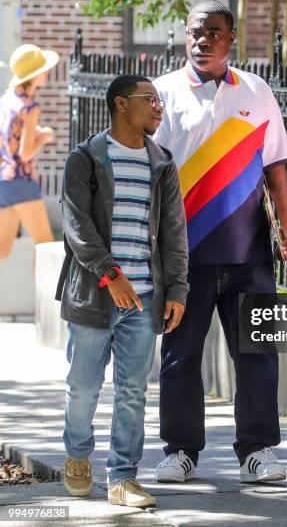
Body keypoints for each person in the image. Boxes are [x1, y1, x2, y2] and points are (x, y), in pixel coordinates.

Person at [153, 1, 287, 483]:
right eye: (196, 32)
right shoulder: (162, 94)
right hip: (183, 256)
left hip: (248, 250)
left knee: (256, 355)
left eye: (214, 32)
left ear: (231, 39)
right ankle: (180, 451)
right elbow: (147, 174)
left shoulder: (257, 91)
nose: (202, 40)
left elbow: (276, 165)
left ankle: (256, 451)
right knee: (179, 356)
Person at [56, 75, 189, 508]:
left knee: (133, 391)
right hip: (94, 297)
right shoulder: (87, 158)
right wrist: (111, 275)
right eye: (149, 100)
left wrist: (177, 289)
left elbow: (174, 233)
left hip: (145, 297)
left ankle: (123, 477)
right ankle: (77, 456)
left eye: (160, 101)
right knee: (83, 387)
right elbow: (77, 227)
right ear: (120, 104)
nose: (158, 108)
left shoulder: (162, 163)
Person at [0, 44, 59, 259]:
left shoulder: (5, 101)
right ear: (34, 76)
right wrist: (44, 136)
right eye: (44, 69)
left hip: (3, 182)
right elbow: (25, 154)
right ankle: (45, 295)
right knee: (45, 247)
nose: (47, 72)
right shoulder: (29, 107)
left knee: (1, 249)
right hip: (21, 181)